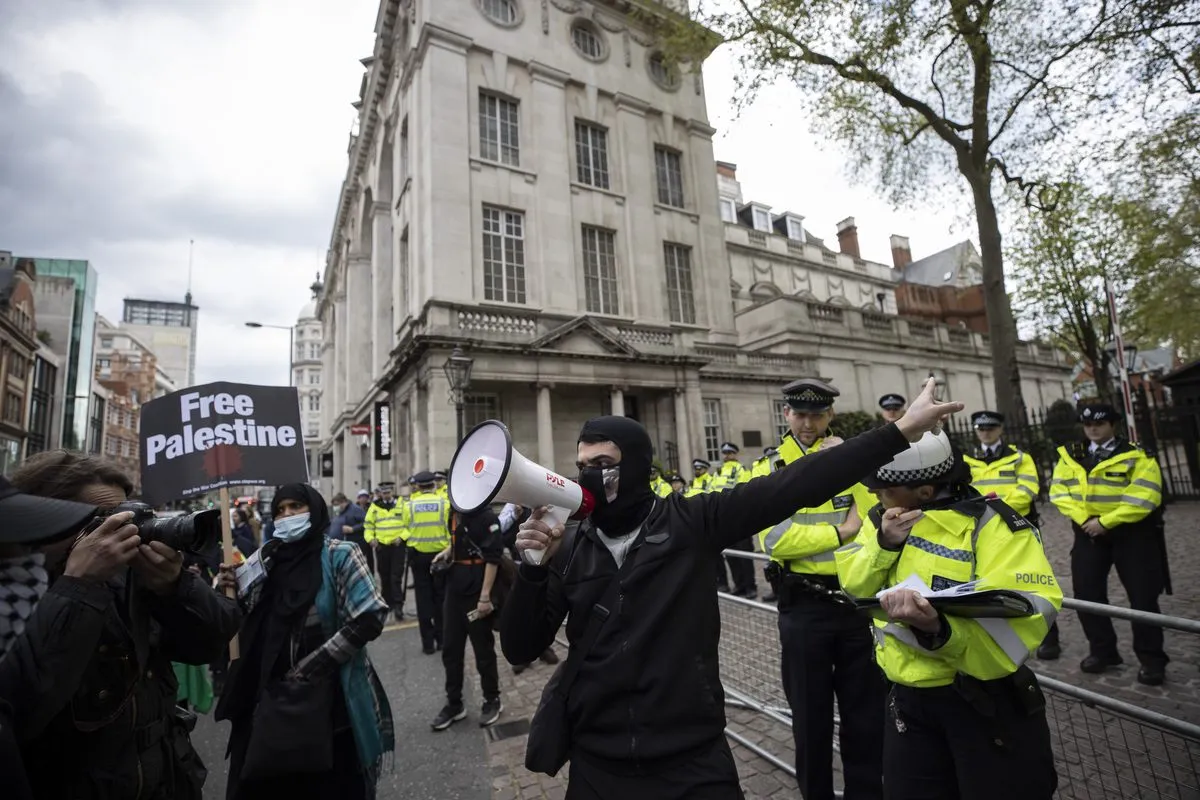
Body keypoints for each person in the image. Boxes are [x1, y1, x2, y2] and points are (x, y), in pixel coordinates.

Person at [501, 378, 959, 798]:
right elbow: (522, 647)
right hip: (597, 761)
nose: (589, 477)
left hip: (692, 758)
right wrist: (533, 569)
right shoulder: (570, 545)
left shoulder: (692, 522)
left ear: (638, 466)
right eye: (582, 466)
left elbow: (796, 484)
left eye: (603, 465)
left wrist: (902, 431)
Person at [836, 431, 1061, 799]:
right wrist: (883, 544)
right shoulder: (883, 521)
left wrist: (939, 629)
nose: (875, 496)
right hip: (907, 701)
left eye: (884, 489)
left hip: (978, 702)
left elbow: (1025, 623)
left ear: (925, 491)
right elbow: (854, 586)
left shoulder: (994, 527)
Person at [7, 450, 241, 799]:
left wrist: (175, 587)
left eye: (125, 516)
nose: (122, 533)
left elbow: (210, 641)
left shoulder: (131, 578)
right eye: (103, 519)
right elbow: (25, 704)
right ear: (45, 519)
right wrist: (77, 586)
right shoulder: (15, 592)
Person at [214, 483, 394, 799]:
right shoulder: (267, 560)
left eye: (295, 507)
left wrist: (309, 668)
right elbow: (243, 617)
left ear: (314, 510)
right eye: (281, 510)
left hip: (332, 706)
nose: (287, 516)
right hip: (273, 706)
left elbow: (370, 616)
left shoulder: (340, 554)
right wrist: (230, 588)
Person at [756, 379, 883, 800]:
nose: (808, 423)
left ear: (830, 416)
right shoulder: (770, 467)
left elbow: (873, 522)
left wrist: (851, 528)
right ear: (786, 414)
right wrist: (839, 533)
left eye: (817, 415)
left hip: (855, 604)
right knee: (809, 719)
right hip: (803, 606)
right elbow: (774, 539)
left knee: (864, 717)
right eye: (800, 414)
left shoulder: (852, 462)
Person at [1047, 402, 1167, 683]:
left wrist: (1105, 522)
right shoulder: (1070, 456)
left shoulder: (1136, 455)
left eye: (1099, 424)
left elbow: (1145, 496)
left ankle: (1152, 660)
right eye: (1088, 424)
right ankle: (1103, 652)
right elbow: (1059, 492)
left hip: (1132, 534)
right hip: (1087, 533)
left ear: (1113, 425)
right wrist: (1087, 520)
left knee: (1143, 598)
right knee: (1087, 595)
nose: (1092, 428)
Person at [430, 506, 505, 730]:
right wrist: (447, 551)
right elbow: (460, 542)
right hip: (454, 590)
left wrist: (484, 597)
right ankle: (454, 704)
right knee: (451, 650)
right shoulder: (455, 513)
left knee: (482, 649)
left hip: (476, 591)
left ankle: (492, 699)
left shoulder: (488, 517)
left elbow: (493, 558)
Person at [399, 471, 451, 654]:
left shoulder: (409, 506)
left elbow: (405, 530)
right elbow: (450, 530)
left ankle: (427, 644)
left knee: (423, 600)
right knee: (440, 599)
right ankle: (442, 641)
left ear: (418, 487)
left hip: (418, 556)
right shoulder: (444, 504)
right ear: (434, 485)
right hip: (441, 556)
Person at [962, 410, 1041, 522]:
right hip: (978, 520)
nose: (985, 433)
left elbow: (1028, 489)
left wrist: (1000, 510)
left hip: (1014, 518)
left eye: (990, 428)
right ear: (975, 430)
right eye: (981, 429)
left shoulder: (1019, 458)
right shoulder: (966, 460)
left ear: (1000, 428)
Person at [712, 442, 757, 599]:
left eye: (730, 453)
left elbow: (745, 492)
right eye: (724, 453)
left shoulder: (741, 469)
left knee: (744, 555)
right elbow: (713, 492)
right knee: (731, 556)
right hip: (723, 520)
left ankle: (750, 587)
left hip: (739, 519)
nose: (726, 456)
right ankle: (739, 585)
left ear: (735, 454)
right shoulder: (718, 472)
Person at [365, 482, 407, 623]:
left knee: (395, 577)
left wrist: (402, 538)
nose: (386, 495)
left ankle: (398, 606)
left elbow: (410, 524)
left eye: (388, 492)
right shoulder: (375, 507)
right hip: (381, 547)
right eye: (384, 492)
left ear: (392, 492)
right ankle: (387, 604)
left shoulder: (402, 504)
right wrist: (371, 539)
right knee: (384, 577)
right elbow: (368, 526)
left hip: (397, 547)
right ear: (380, 493)